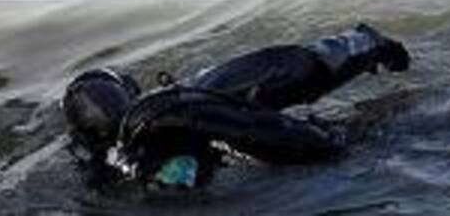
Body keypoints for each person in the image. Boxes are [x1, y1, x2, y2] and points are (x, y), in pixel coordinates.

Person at [62, 23, 410, 189]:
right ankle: (372, 47)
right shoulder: (164, 107)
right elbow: (292, 66)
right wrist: (373, 44)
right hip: (317, 155)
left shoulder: (102, 170)